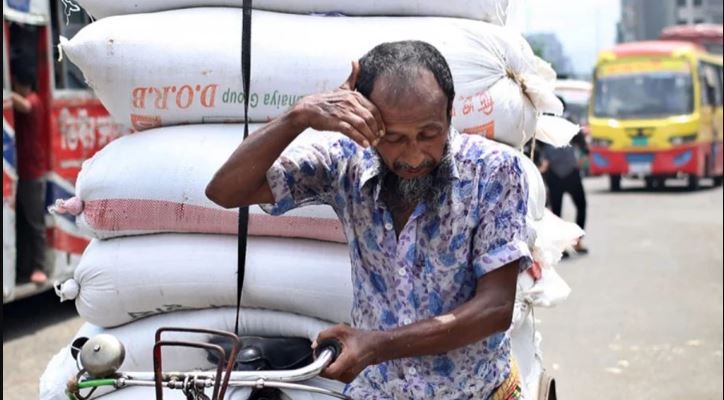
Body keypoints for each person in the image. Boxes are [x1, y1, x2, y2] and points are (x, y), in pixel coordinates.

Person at [207, 41, 531, 399]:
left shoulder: (494, 172)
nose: (414, 156)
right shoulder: (344, 162)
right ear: (366, 124)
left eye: (429, 134)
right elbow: (225, 191)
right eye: (393, 138)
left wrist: (377, 345)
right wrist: (299, 117)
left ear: (450, 113)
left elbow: (495, 308)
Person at [11, 65, 49, 284]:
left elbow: (24, 105)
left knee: (35, 222)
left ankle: (40, 266)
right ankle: (24, 267)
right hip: (21, 171)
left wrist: (6, 92)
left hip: (32, 173)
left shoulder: (34, 101)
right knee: (23, 223)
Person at [539, 97, 589, 255]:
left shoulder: (548, 123)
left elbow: (583, 145)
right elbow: (583, 146)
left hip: (563, 173)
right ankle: (567, 245)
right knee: (562, 211)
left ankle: (572, 243)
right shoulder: (547, 124)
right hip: (560, 173)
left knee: (566, 209)